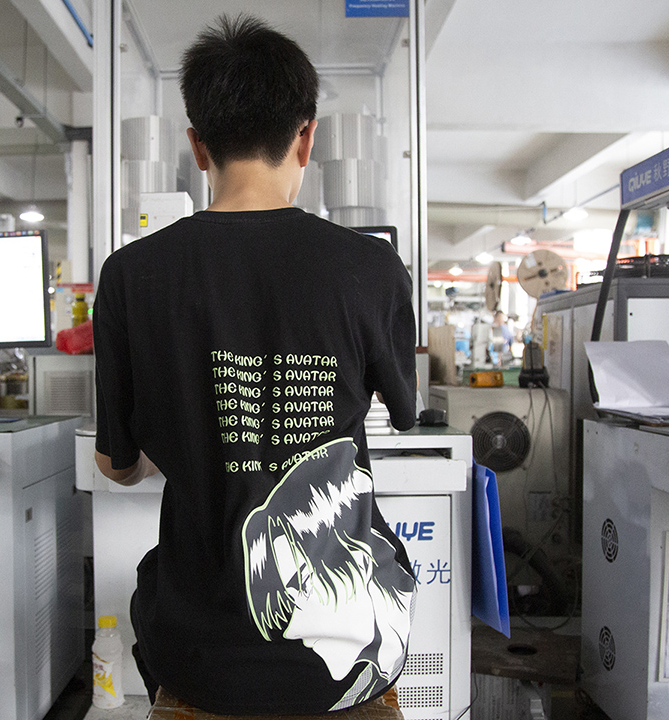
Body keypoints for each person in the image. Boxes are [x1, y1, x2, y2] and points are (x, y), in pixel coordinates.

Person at [92, 14, 417, 715]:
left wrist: (184, 441)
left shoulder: (129, 274)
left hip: (197, 654)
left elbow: (118, 465)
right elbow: (400, 411)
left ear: (196, 145)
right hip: (347, 658)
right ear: (306, 137)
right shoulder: (372, 268)